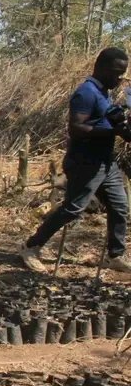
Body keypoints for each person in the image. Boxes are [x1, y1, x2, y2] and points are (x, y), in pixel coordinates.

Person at [21, 48, 131, 274]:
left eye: (122, 73)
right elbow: (76, 127)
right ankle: (31, 247)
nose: (119, 78)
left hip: (105, 162)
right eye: (116, 72)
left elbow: (104, 118)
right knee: (72, 209)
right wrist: (112, 132)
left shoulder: (103, 92)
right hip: (85, 162)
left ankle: (115, 256)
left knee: (120, 207)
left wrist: (119, 121)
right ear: (101, 68)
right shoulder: (86, 92)